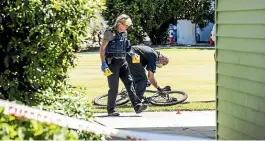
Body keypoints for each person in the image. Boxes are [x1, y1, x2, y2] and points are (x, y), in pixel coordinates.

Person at [99, 14, 148, 116]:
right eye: (125, 25)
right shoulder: (110, 32)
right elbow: (102, 49)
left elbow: (127, 48)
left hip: (123, 62)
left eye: (127, 26)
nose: (126, 27)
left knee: (129, 83)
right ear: (119, 23)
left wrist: (133, 54)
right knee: (114, 87)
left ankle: (137, 105)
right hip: (112, 63)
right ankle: (111, 110)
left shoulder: (124, 33)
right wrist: (103, 63)